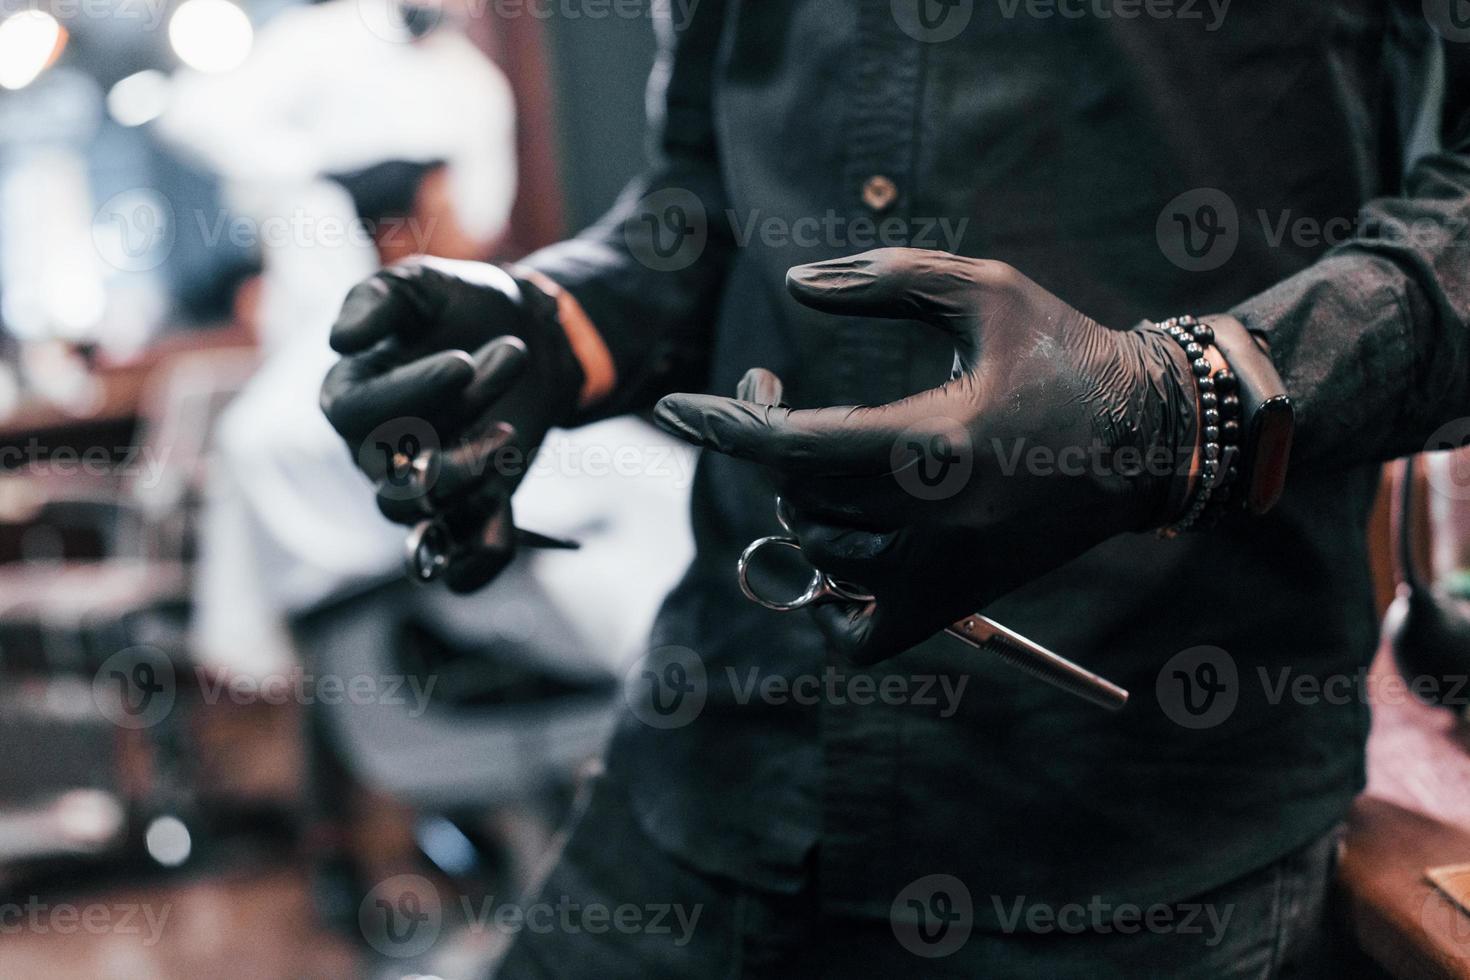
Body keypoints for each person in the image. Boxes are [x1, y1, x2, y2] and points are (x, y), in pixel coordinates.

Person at [319, 2, 1470, 976]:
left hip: (1131, 830)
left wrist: (1176, 403)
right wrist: (547, 329)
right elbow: (704, 209)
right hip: (717, 758)